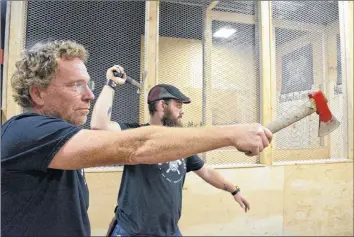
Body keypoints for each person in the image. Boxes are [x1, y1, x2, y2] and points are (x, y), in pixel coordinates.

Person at [1, 40, 272, 236]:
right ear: (37, 94)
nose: (89, 95)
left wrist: (233, 189)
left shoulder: (59, 139)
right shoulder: (27, 132)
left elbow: (202, 168)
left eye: (89, 85)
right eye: (75, 86)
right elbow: (137, 144)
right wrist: (231, 133)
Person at [90, 65, 259, 236]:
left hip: (169, 231)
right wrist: (111, 83)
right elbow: (99, 126)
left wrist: (234, 190)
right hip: (133, 231)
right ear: (162, 105)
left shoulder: (180, 143)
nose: (182, 112)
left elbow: (205, 171)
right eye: (178, 105)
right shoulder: (135, 134)